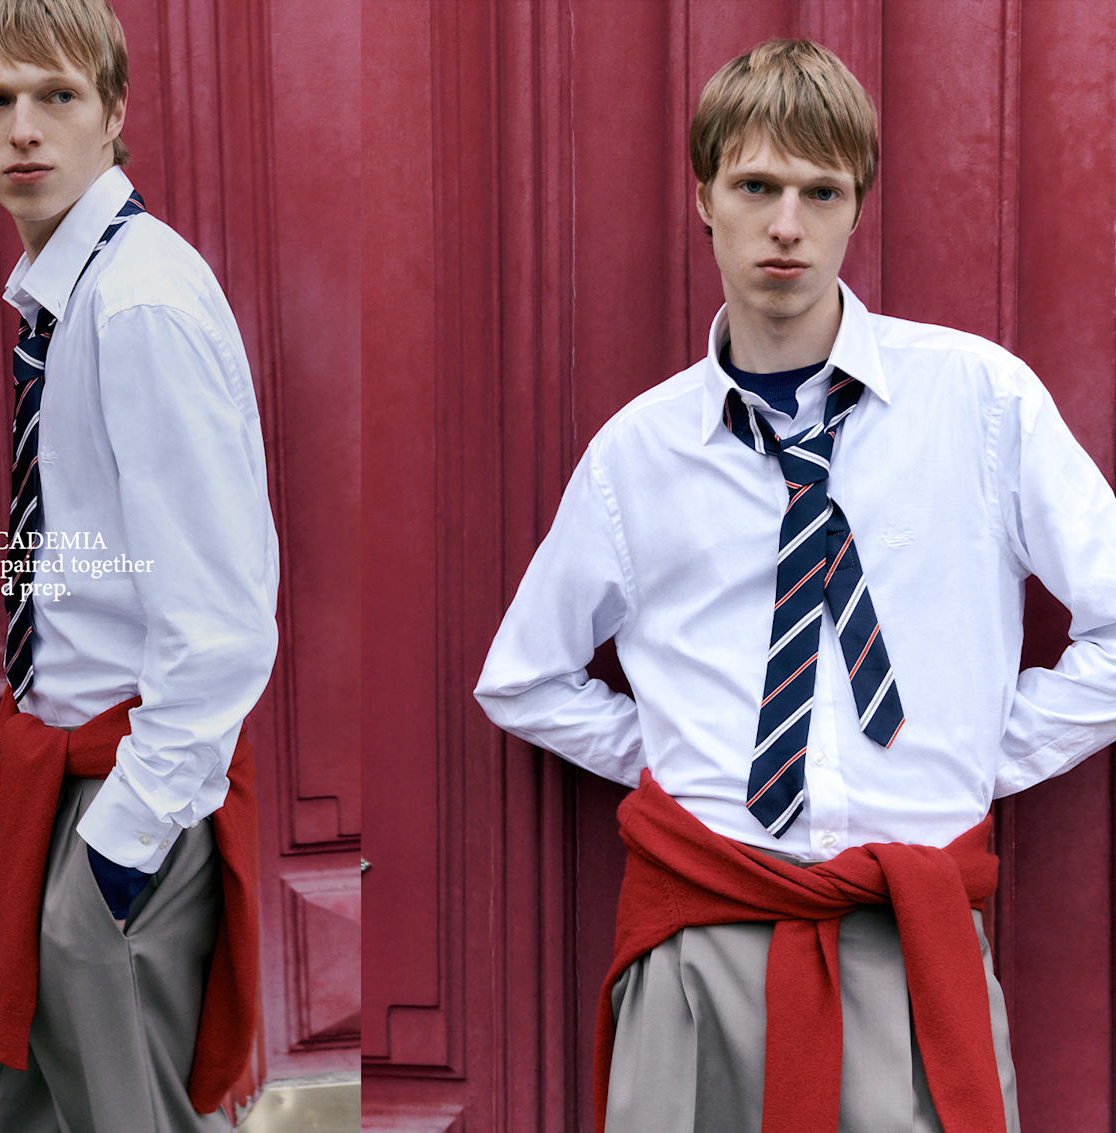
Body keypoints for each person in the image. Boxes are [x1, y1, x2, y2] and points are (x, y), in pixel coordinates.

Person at [475, 37, 1116, 1132]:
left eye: (819, 191)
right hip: (703, 932)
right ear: (703, 198)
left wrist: (978, 753)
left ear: (855, 205)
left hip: (905, 931)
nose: (786, 224)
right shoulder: (641, 451)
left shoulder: (979, 402)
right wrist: (677, 756)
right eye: (756, 186)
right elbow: (521, 677)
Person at [0, 1, 279, 1129]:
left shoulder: (140, 304)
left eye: (58, 97)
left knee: (128, 1111)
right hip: (39, 764)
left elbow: (222, 615)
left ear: (114, 114)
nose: (25, 128)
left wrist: (119, 854)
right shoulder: (66, 296)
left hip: (129, 786)